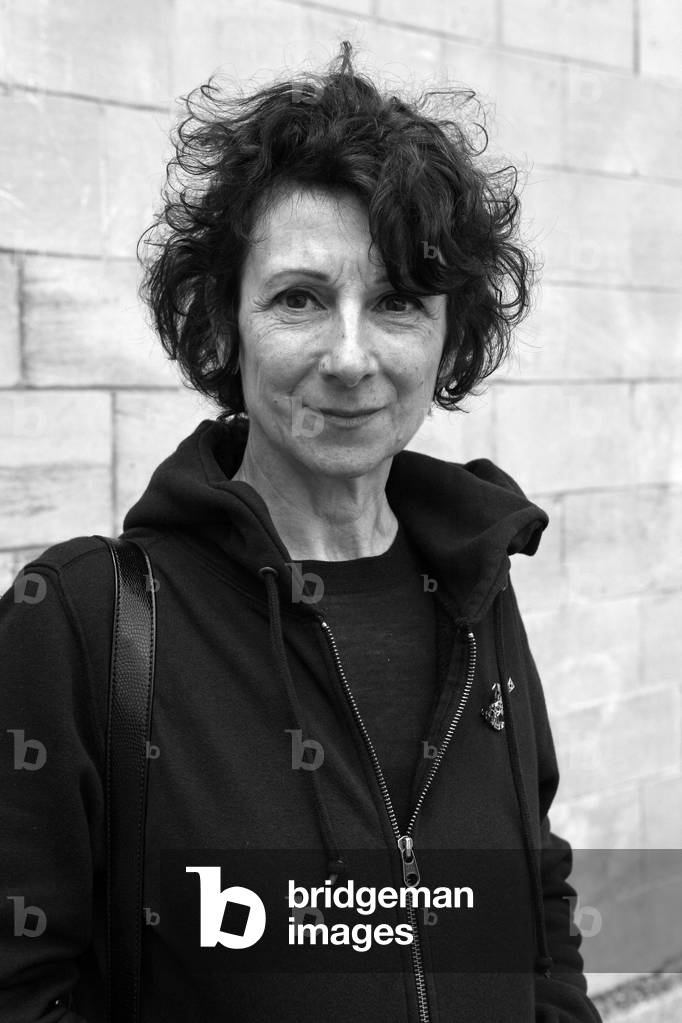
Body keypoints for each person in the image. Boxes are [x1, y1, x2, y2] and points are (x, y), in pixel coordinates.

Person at [0, 41, 603, 1023]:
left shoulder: (472, 585)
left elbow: (536, 906)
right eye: (299, 298)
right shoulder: (79, 623)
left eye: (400, 302)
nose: (351, 357)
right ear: (224, 327)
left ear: (449, 336)